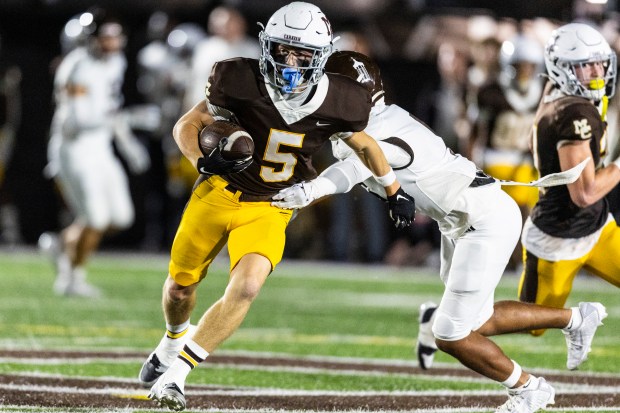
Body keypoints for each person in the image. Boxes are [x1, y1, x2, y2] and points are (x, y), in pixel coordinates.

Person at [272, 50, 607, 413]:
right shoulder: (374, 121)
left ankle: (529, 388)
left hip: (484, 219)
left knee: (449, 332)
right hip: (464, 219)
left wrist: (308, 192)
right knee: (476, 320)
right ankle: (577, 318)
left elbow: (354, 170)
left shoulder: (378, 129)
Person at [140, 3, 415, 411]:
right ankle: (171, 339)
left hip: (272, 204)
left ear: (322, 56)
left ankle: (176, 375)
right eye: (282, 50)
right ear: (267, 45)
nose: (289, 62)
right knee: (180, 288)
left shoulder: (342, 99)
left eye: (302, 54)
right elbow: (188, 124)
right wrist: (200, 159)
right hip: (218, 191)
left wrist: (394, 189)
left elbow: (365, 145)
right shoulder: (238, 78)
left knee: (248, 286)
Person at [38, 10, 150, 297]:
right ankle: (72, 279)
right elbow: (78, 121)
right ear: (90, 39)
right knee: (96, 219)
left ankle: (63, 244)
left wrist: (127, 144)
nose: (113, 43)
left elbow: (110, 111)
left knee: (121, 218)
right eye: (107, 37)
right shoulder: (76, 67)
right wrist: (130, 119)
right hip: (74, 149)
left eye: (115, 36)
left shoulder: (116, 62)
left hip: (101, 148)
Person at [518, 23, 620, 334]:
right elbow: (585, 193)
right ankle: (444, 322)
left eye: (600, 62)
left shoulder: (561, 91)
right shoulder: (573, 113)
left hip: (596, 227)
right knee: (529, 326)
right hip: (557, 239)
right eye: (585, 65)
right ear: (563, 69)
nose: (596, 70)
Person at [469, 34, 545, 269]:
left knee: (532, 215)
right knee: (505, 215)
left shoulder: (542, 93)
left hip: (527, 163)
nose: (525, 71)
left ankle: (524, 260)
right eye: (519, 65)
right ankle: (505, 260)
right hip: (497, 159)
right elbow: (476, 131)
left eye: (529, 66)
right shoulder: (490, 92)